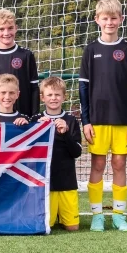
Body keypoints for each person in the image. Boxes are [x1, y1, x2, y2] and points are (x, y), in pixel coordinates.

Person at [80, 0, 127, 232]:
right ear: (97, 20)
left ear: (121, 19)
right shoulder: (90, 50)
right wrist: (86, 121)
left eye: (114, 18)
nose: (110, 22)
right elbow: (83, 88)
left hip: (122, 119)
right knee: (97, 164)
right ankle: (97, 215)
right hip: (97, 119)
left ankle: (118, 214)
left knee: (119, 164)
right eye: (105, 18)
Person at [32, 76, 82, 232]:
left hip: (67, 181)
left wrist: (65, 133)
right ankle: (55, 214)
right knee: (48, 225)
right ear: (42, 97)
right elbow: (30, 151)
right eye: (49, 95)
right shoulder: (36, 119)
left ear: (64, 97)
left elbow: (76, 152)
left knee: (72, 227)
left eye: (57, 95)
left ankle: (64, 215)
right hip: (46, 183)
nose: (53, 98)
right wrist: (38, 130)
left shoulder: (71, 120)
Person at [0, 9, 39, 118]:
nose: (6, 33)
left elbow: (34, 88)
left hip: (23, 117)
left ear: (16, 28)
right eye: (1, 29)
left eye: (10, 28)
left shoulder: (26, 55)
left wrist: (35, 116)